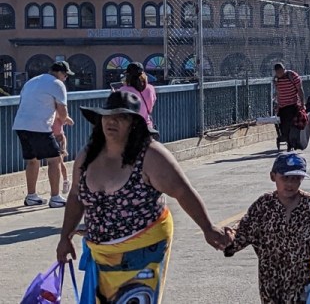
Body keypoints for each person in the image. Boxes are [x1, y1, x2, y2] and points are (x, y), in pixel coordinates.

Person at [56, 91, 230, 301]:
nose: (112, 121)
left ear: (134, 124)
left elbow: (183, 191)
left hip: (143, 251)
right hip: (101, 255)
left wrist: (207, 227)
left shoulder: (151, 156)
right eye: (107, 115)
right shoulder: (87, 155)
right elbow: (75, 196)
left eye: (122, 117)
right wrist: (64, 237)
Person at [224, 153, 310, 304]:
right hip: (270, 284)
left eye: (296, 179)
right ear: (273, 176)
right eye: (285, 178)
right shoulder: (263, 205)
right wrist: (228, 239)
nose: (290, 184)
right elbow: (244, 230)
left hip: (302, 283)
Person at [14, 60, 73, 207]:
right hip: (39, 127)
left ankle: (31, 196)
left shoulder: (32, 81)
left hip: (21, 125)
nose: (65, 78)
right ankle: (55, 197)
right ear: (60, 73)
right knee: (54, 160)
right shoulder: (57, 84)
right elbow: (62, 111)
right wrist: (66, 119)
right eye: (66, 75)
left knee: (32, 160)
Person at [118, 61, 157, 134]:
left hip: (130, 130)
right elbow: (150, 108)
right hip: (147, 127)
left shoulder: (123, 90)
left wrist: (115, 95)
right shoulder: (150, 89)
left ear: (128, 76)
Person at [273, 62, 305, 151]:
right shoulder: (276, 79)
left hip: (293, 105)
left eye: (281, 72)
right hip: (282, 107)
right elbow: (277, 92)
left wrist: (302, 103)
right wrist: (276, 104)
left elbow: (300, 89)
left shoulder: (292, 76)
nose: (279, 74)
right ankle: (287, 141)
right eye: (277, 73)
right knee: (283, 127)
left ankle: (291, 145)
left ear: (284, 69)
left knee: (292, 125)